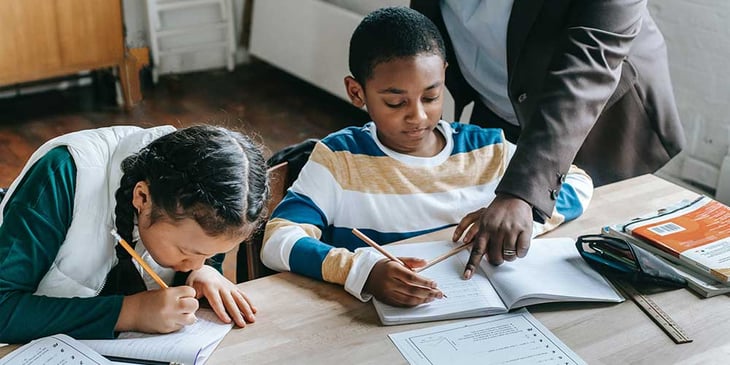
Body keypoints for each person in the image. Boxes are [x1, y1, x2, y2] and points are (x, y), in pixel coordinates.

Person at [261, 7, 593, 307]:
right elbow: (279, 238)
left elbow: (578, 182)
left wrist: (520, 219)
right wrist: (361, 270)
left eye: (431, 96)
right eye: (395, 102)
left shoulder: (486, 147)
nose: (418, 116)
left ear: (445, 75)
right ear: (356, 92)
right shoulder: (340, 159)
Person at [410, 0, 686, 278]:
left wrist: (521, 192)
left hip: (600, 124)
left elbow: (589, 68)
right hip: (496, 104)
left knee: (593, 267)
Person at [0, 124, 269, 343]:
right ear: (142, 197)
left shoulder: (204, 202)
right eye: (189, 253)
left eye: (213, 254)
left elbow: (199, 257)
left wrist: (203, 273)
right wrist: (129, 313)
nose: (198, 261)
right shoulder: (63, 173)